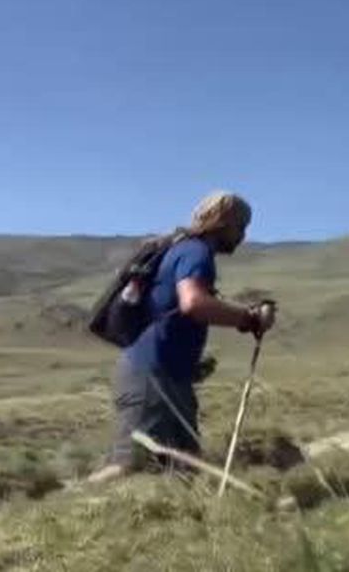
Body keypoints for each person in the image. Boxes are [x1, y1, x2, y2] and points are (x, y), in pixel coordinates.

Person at [88, 191, 276, 483]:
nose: (243, 235)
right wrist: (248, 319)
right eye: (241, 226)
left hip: (168, 377)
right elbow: (194, 303)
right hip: (151, 377)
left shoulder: (183, 250)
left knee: (183, 468)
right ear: (223, 222)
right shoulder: (195, 252)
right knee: (131, 465)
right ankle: (62, 511)